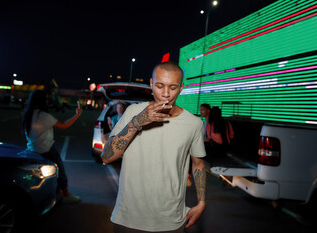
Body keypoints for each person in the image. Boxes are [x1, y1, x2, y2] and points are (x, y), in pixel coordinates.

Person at [101, 61, 206, 232]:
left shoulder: (193, 123)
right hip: (128, 219)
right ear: (151, 84)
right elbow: (106, 156)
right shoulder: (133, 112)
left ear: (181, 87)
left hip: (172, 221)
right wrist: (136, 123)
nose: (165, 94)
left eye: (172, 87)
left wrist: (201, 202)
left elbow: (198, 163)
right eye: (159, 86)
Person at [22, 89, 82, 204]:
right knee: (60, 170)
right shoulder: (43, 116)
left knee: (45, 173)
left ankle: (56, 193)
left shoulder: (28, 114)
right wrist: (77, 115)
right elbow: (64, 125)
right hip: (46, 149)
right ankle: (66, 194)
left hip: (32, 149)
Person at [187, 103, 211, 187]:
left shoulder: (209, 123)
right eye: (200, 110)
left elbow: (209, 138)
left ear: (208, 111)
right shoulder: (204, 122)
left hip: (208, 145)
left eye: (203, 110)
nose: (201, 112)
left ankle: (188, 176)